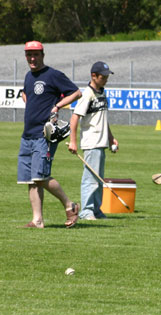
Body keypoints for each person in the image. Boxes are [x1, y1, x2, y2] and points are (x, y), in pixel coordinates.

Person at [18, 40, 82, 228]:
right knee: (31, 180)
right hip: (27, 134)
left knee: (40, 177)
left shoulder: (53, 75)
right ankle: (37, 220)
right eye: (29, 54)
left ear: (42, 55)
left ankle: (70, 205)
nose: (32, 58)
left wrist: (57, 105)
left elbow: (76, 93)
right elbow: (27, 96)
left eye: (36, 54)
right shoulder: (28, 77)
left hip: (43, 135)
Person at [68, 61, 118, 220]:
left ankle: (96, 210)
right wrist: (73, 141)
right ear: (93, 76)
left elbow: (103, 119)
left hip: (101, 142)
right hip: (92, 143)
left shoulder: (101, 93)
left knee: (99, 179)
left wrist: (110, 138)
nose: (106, 79)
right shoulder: (87, 94)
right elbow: (74, 118)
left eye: (107, 76)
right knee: (91, 179)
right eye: (103, 77)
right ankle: (87, 211)